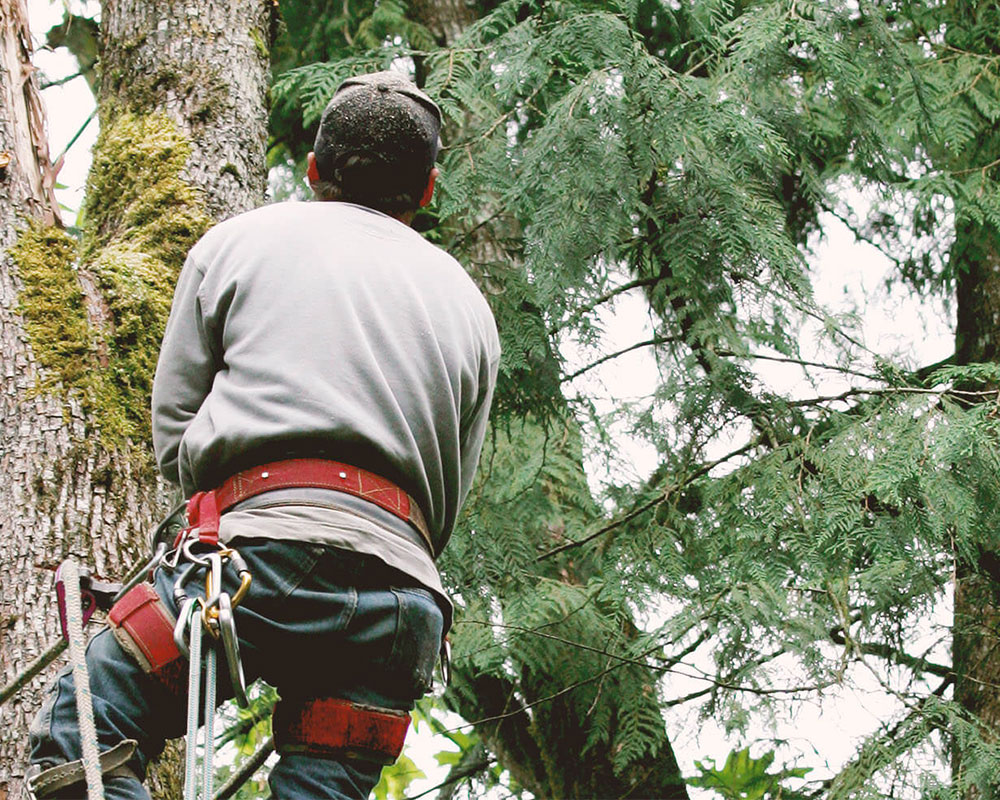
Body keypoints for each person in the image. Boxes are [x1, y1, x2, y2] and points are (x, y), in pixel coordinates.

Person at [28, 71, 501, 800]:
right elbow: (449, 495)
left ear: (314, 169)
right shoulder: (470, 308)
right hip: (402, 604)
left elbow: (177, 432)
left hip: (256, 561)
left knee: (88, 723)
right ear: (429, 188)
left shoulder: (240, 243)